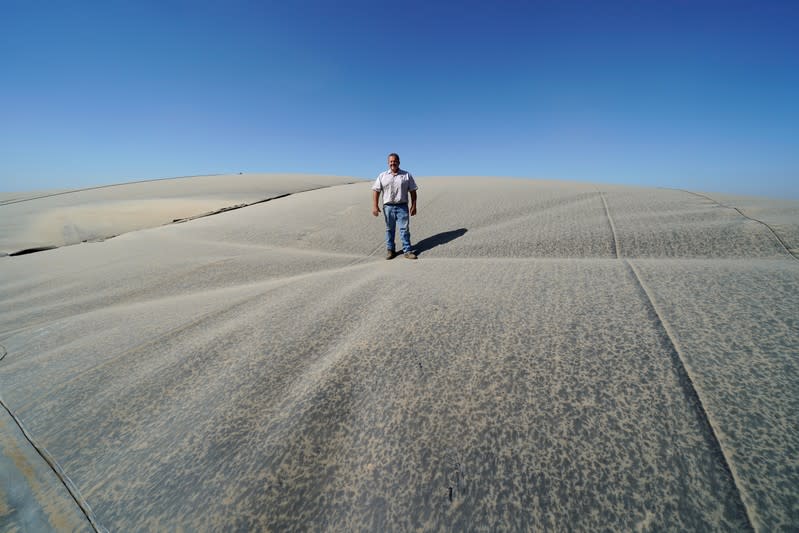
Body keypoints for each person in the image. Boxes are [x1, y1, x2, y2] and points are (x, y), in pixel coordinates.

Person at [372, 153, 418, 259]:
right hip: (388, 207)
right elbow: (376, 190)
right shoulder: (382, 176)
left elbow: (413, 191)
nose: (393, 163)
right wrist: (375, 205)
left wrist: (414, 205)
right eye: (391, 161)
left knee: (404, 229)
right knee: (389, 229)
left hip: (402, 206)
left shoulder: (406, 175)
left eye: (395, 161)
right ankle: (390, 250)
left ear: (399, 162)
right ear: (388, 163)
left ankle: (407, 251)